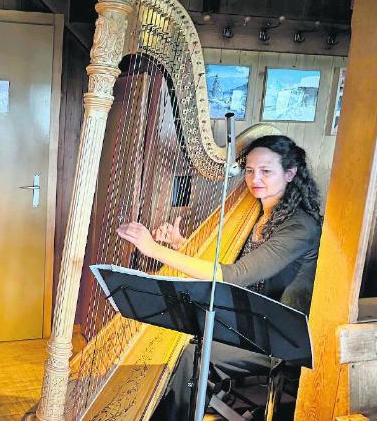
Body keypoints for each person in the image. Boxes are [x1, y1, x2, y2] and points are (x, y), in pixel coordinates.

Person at [117, 134, 323, 420]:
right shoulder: (258, 212)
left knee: (190, 354)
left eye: (266, 171)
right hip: (248, 318)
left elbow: (235, 275)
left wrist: (153, 251)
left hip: (278, 335)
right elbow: (236, 266)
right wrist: (181, 244)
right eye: (249, 170)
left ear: (290, 174)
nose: (255, 178)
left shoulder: (300, 226)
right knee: (180, 331)